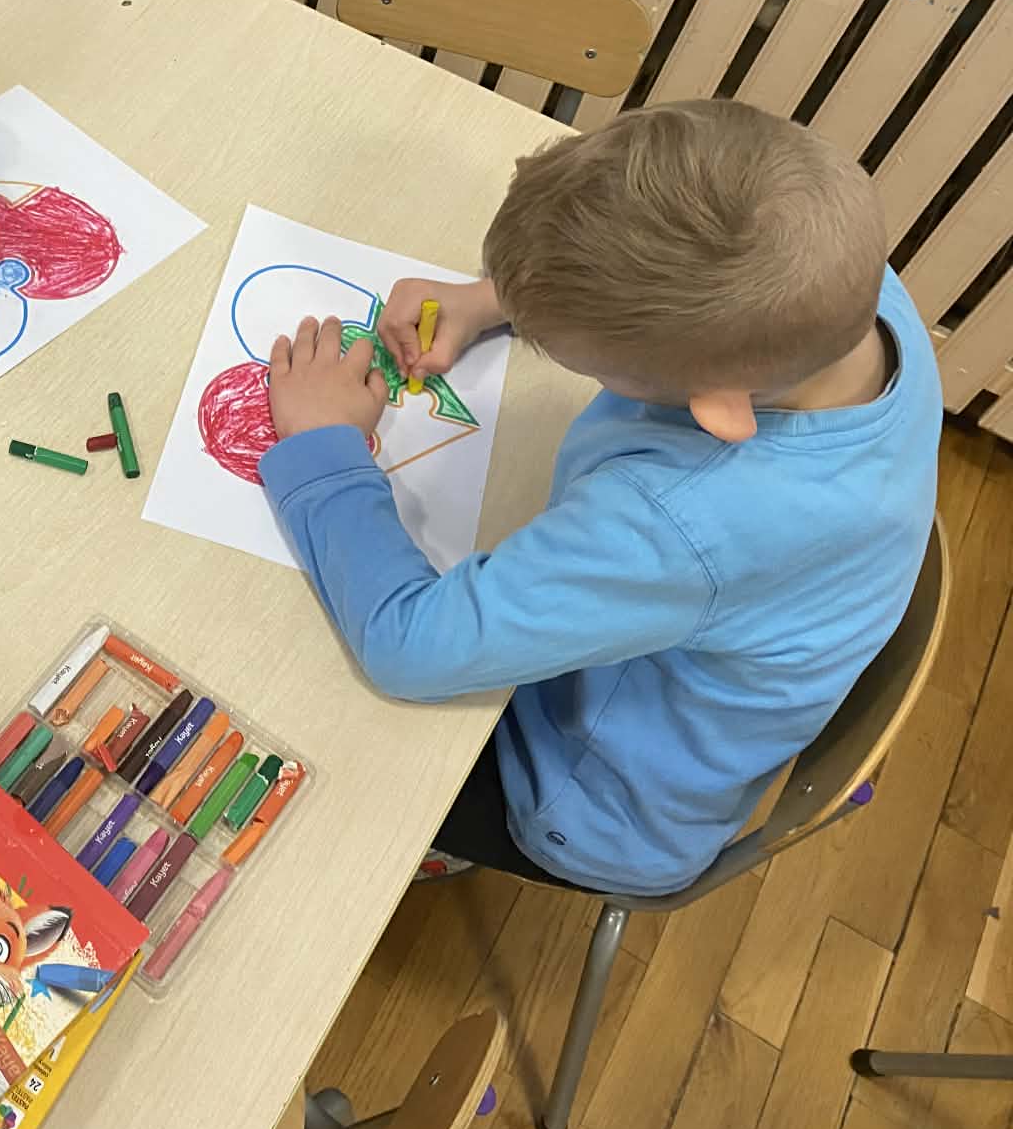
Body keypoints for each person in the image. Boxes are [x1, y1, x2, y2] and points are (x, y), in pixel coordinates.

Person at [258, 100, 940, 895]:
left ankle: (450, 847)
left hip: (584, 802)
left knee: (302, 706)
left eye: (578, 360)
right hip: (674, 669)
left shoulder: (681, 522)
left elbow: (408, 648)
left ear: (717, 408)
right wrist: (496, 298)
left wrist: (324, 445)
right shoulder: (846, 283)